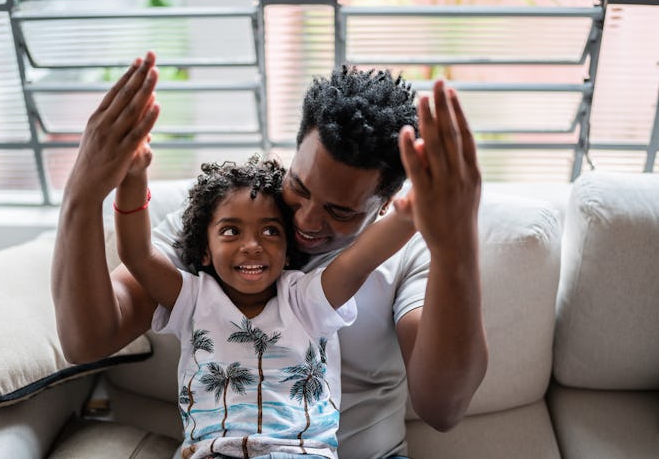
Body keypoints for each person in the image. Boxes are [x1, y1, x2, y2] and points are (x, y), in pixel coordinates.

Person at [51, 51, 488, 459]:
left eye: (340, 211)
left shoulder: (410, 250)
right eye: (298, 186)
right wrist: (82, 195)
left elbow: (442, 409)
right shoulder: (233, 217)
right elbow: (87, 338)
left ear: (387, 205)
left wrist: (459, 245)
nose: (307, 221)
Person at [114, 152, 416, 458]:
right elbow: (138, 254)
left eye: (270, 231)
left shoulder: (303, 299)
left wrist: (413, 210)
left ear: (287, 251)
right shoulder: (192, 299)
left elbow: (358, 261)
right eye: (231, 231)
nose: (252, 246)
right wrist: (133, 177)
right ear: (204, 250)